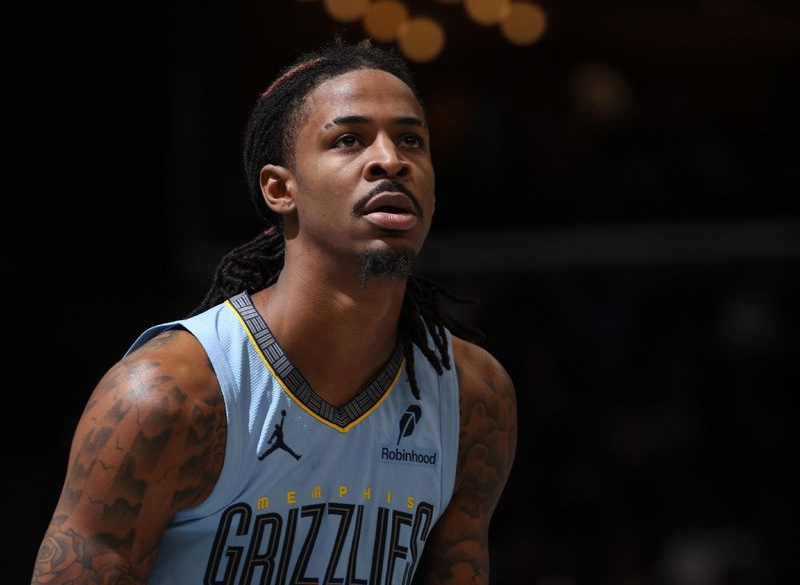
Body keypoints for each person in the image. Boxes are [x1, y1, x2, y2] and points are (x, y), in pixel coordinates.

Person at [32, 39, 517, 584]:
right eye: (349, 140)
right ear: (280, 189)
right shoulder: (169, 396)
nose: (391, 160)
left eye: (411, 141)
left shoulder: (473, 396)